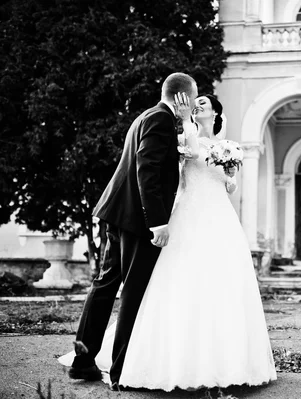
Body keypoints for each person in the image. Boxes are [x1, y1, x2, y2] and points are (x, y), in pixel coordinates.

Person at [60, 94, 277, 392]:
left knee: (219, 283)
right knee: (159, 283)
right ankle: (137, 362)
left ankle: (220, 360)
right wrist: (178, 166)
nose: (198, 105)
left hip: (218, 219)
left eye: (204, 103)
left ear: (216, 113)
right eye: (195, 100)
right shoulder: (181, 132)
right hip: (185, 215)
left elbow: (229, 185)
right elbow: (163, 173)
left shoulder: (225, 146)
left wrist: (229, 175)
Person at [65, 72, 198, 386]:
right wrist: (158, 222)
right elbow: (147, 170)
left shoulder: (147, 116)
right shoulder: (161, 120)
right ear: (183, 96)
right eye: (193, 97)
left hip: (119, 213)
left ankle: (83, 361)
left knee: (106, 284)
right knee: (133, 292)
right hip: (137, 221)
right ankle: (121, 371)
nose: (194, 103)